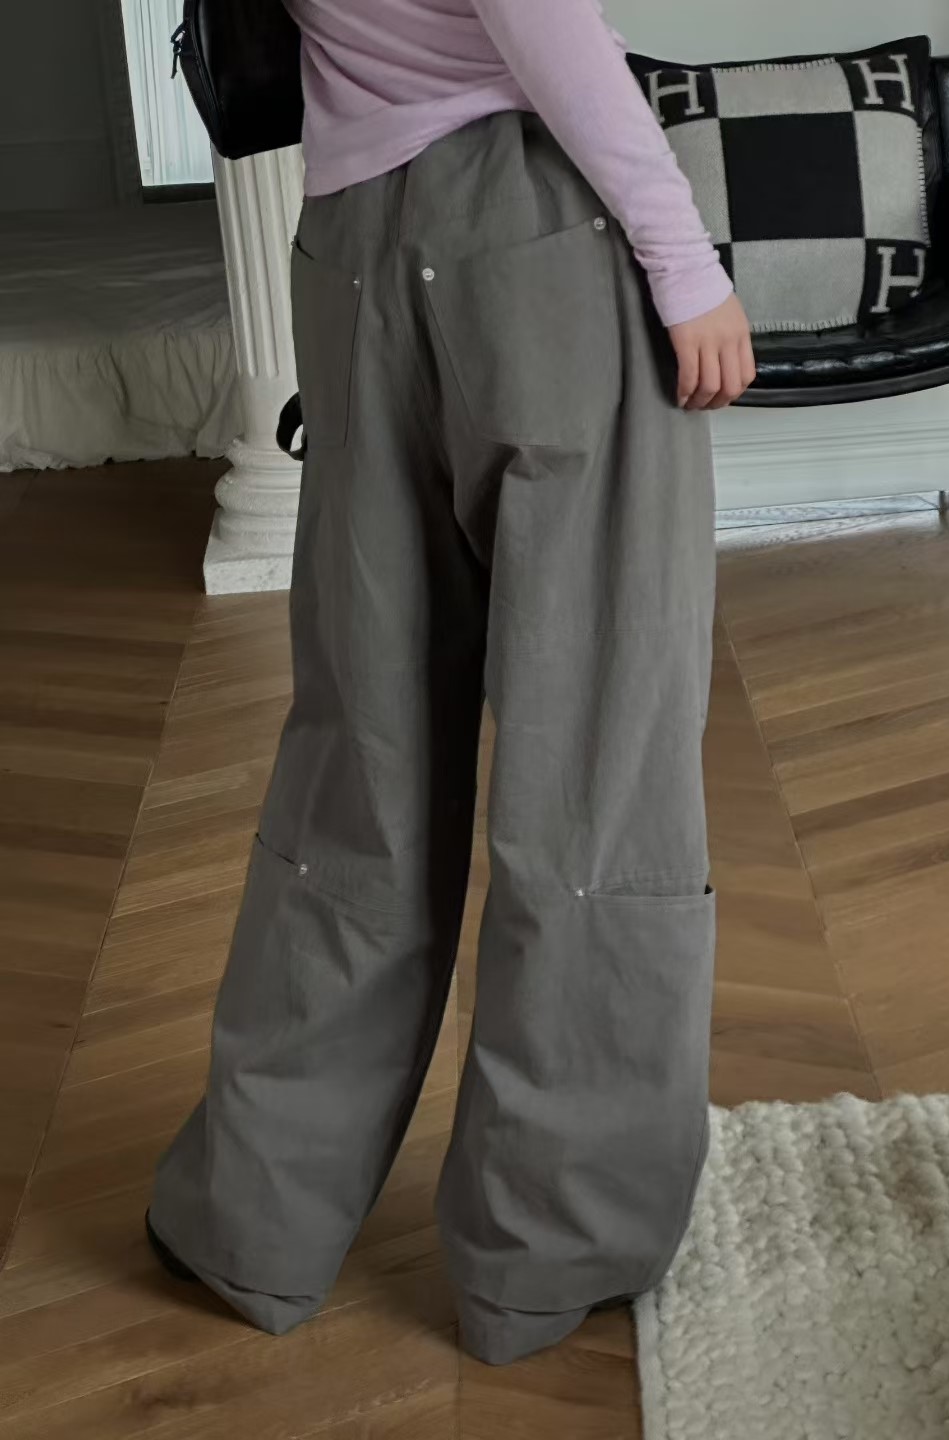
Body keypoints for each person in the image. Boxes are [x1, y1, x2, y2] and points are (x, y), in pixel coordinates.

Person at [147, 0, 756, 1367]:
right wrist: (682, 258)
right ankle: (548, 1253)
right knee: (597, 757)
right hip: (533, 230)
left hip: (348, 238)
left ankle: (253, 1216)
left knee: (361, 758)